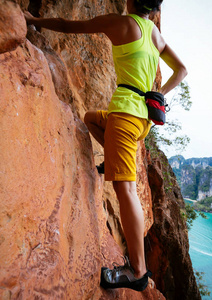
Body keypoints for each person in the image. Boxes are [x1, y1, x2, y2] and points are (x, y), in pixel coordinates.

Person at [24, 0, 187, 292]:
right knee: (91, 118)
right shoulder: (155, 34)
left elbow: (67, 26)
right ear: (154, 10)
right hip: (142, 119)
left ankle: (137, 271)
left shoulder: (122, 24)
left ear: (130, 0)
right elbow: (182, 70)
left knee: (125, 190)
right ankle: (111, 157)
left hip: (126, 115)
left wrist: (33, 20)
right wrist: (158, 93)